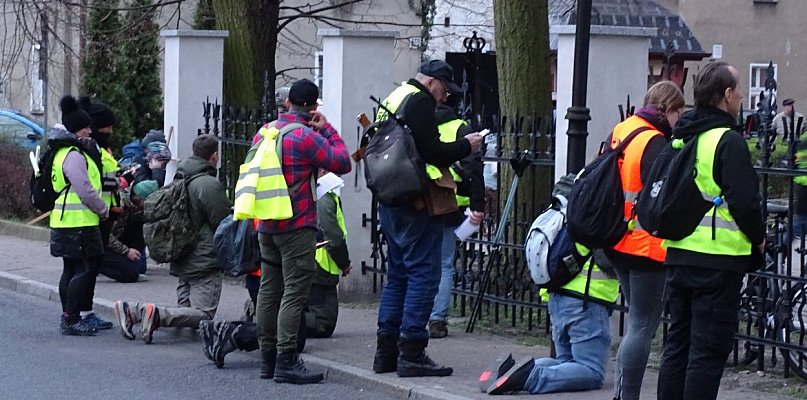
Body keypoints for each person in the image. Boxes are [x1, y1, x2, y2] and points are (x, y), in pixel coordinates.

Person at [656, 61, 765, 400]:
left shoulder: (682, 135)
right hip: (717, 262)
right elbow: (745, 203)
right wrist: (759, 239)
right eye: (739, 89)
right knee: (706, 352)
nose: (743, 96)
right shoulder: (726, 140)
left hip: (678, 256)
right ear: (727, 95)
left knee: (677, 346)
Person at [372, 60, 484, 378]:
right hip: (415, 201)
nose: (444, 97)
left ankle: (386, 352)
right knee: (424, 274)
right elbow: (431, 151)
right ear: (431, 82)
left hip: (389, 196)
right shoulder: (419, 99)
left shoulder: (395, 96)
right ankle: (412, 352)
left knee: (398, 276)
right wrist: (467, 145)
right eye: (444, 89)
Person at [242, 78, 350, 384]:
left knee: (269, 290)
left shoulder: (265, 131)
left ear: (288, 102)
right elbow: (342, 162)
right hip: (297, 224)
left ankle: (267, 359)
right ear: (313, 106)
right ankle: (286, 359)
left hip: (265, 222)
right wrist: (326, 128)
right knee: (294, 292)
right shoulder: (304, 136)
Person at [197, 170, 348, 368]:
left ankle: (234, 333)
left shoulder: (261, 187)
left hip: (260, 272)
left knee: (290, 333)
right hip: (270, 272)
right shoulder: (281, 195)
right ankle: (230, 334)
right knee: (288, 335)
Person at [113, 134, 231, 344]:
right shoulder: (208, 184)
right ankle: (155, 314)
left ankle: (133, 311)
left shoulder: (180, 178)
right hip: (203, 258)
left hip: (180, 253)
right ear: (214, 156)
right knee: (203, 314)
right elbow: (222, 223)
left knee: (185, 315)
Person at [607, 81, 685, 400]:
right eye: (680, 111)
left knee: (634, 322)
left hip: (617, 240)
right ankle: (628, 396)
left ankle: (620, 393)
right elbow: (662, 197)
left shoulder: (624, 129)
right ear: (667, 109)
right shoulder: (654, 143)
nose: (681, 118)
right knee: (642, 326)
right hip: (645, 246)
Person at [481, 244, 619, 395]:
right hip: (587, 300)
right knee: (592, 371)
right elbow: (608, 259)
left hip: (557, 298)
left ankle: (510, 370)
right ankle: (530, 377)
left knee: (566, 363)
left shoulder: (563, 220)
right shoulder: (597, 221)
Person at [50, 95, 109, 336]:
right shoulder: (74, 155)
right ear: (76, 129)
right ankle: (72, 318)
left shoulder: (62, 151)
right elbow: (85, 190)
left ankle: (69, 315)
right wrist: (102, 209)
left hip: (64, 220)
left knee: (71, 270)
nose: (90, 131)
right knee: (84, 270)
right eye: (86, 127)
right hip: (79, 222)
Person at [428, 100, 485, 339]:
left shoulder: (422, 124)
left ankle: (414, 314)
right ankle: (437, 319)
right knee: (444, 263)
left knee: (419, 263)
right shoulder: (460, 128)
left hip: (422, 199)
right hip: (450, 202)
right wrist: (477, 204)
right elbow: (472, 167)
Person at [78, 97, 120, 331]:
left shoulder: (98, 148)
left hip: (102, 214)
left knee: (88, 266)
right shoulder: (92, 150)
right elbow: (97, 182)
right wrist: (119, 182)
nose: (111, 131)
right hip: (95, 215)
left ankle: (80, 312)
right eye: (108, 127)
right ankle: (82, 313)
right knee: (88, 267)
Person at [305, 170, 351, 338]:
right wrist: (344, 263)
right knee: (323, 323)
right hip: (321, 266)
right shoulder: (324, 196)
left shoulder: (315, 192)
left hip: (316, 263)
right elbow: (333, 236)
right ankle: (274, 323)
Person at [99, 180, 158, 283]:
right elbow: (106, 235)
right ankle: (94, 264)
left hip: (115, 238)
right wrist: (126, 251)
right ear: (140, 199)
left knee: (141, 226)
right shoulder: (119, 206)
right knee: (130, 274)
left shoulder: (135, 208)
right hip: (99, 242)